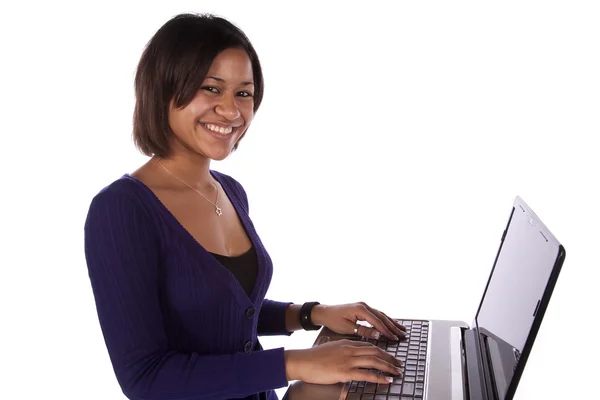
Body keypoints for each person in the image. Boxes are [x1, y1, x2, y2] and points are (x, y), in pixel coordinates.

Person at [83, 13, 407, 400]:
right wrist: (296, 363)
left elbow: (223, 315)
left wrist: (312, 314)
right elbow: (145, 378)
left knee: (380, 381)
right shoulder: (121, 210)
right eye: (211, 88)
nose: (232, 111)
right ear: (164, 89)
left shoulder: (229, 191)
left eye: (244, 93)